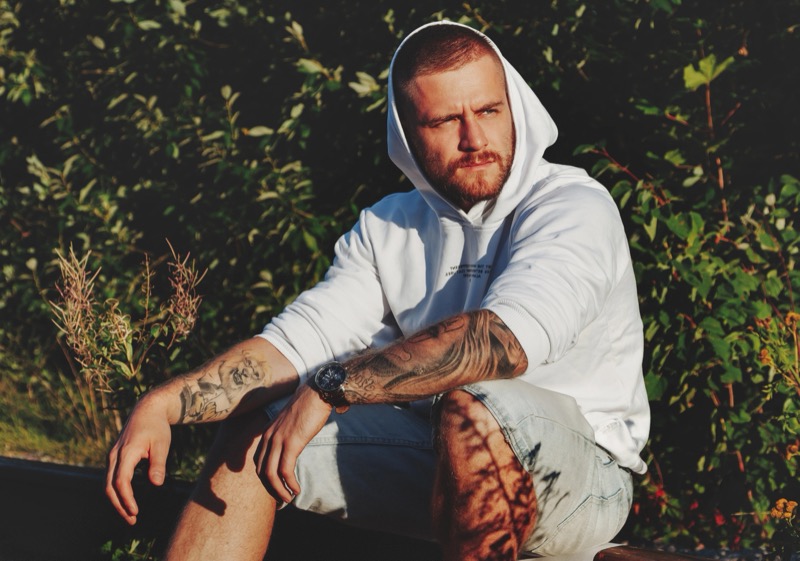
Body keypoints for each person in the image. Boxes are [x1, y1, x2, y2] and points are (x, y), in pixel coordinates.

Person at [105, 21, 650, 561]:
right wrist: (163, 404)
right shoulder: (390, 226)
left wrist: (332, 387)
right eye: (445, 120)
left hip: (581, 479)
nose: (474, 139)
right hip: (435, 454)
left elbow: (501, 342)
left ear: (515, 108)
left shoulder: (571, 206)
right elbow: (298, 343)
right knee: (256, 434)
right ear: (408, 134)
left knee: (472, 408)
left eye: (488, 110)